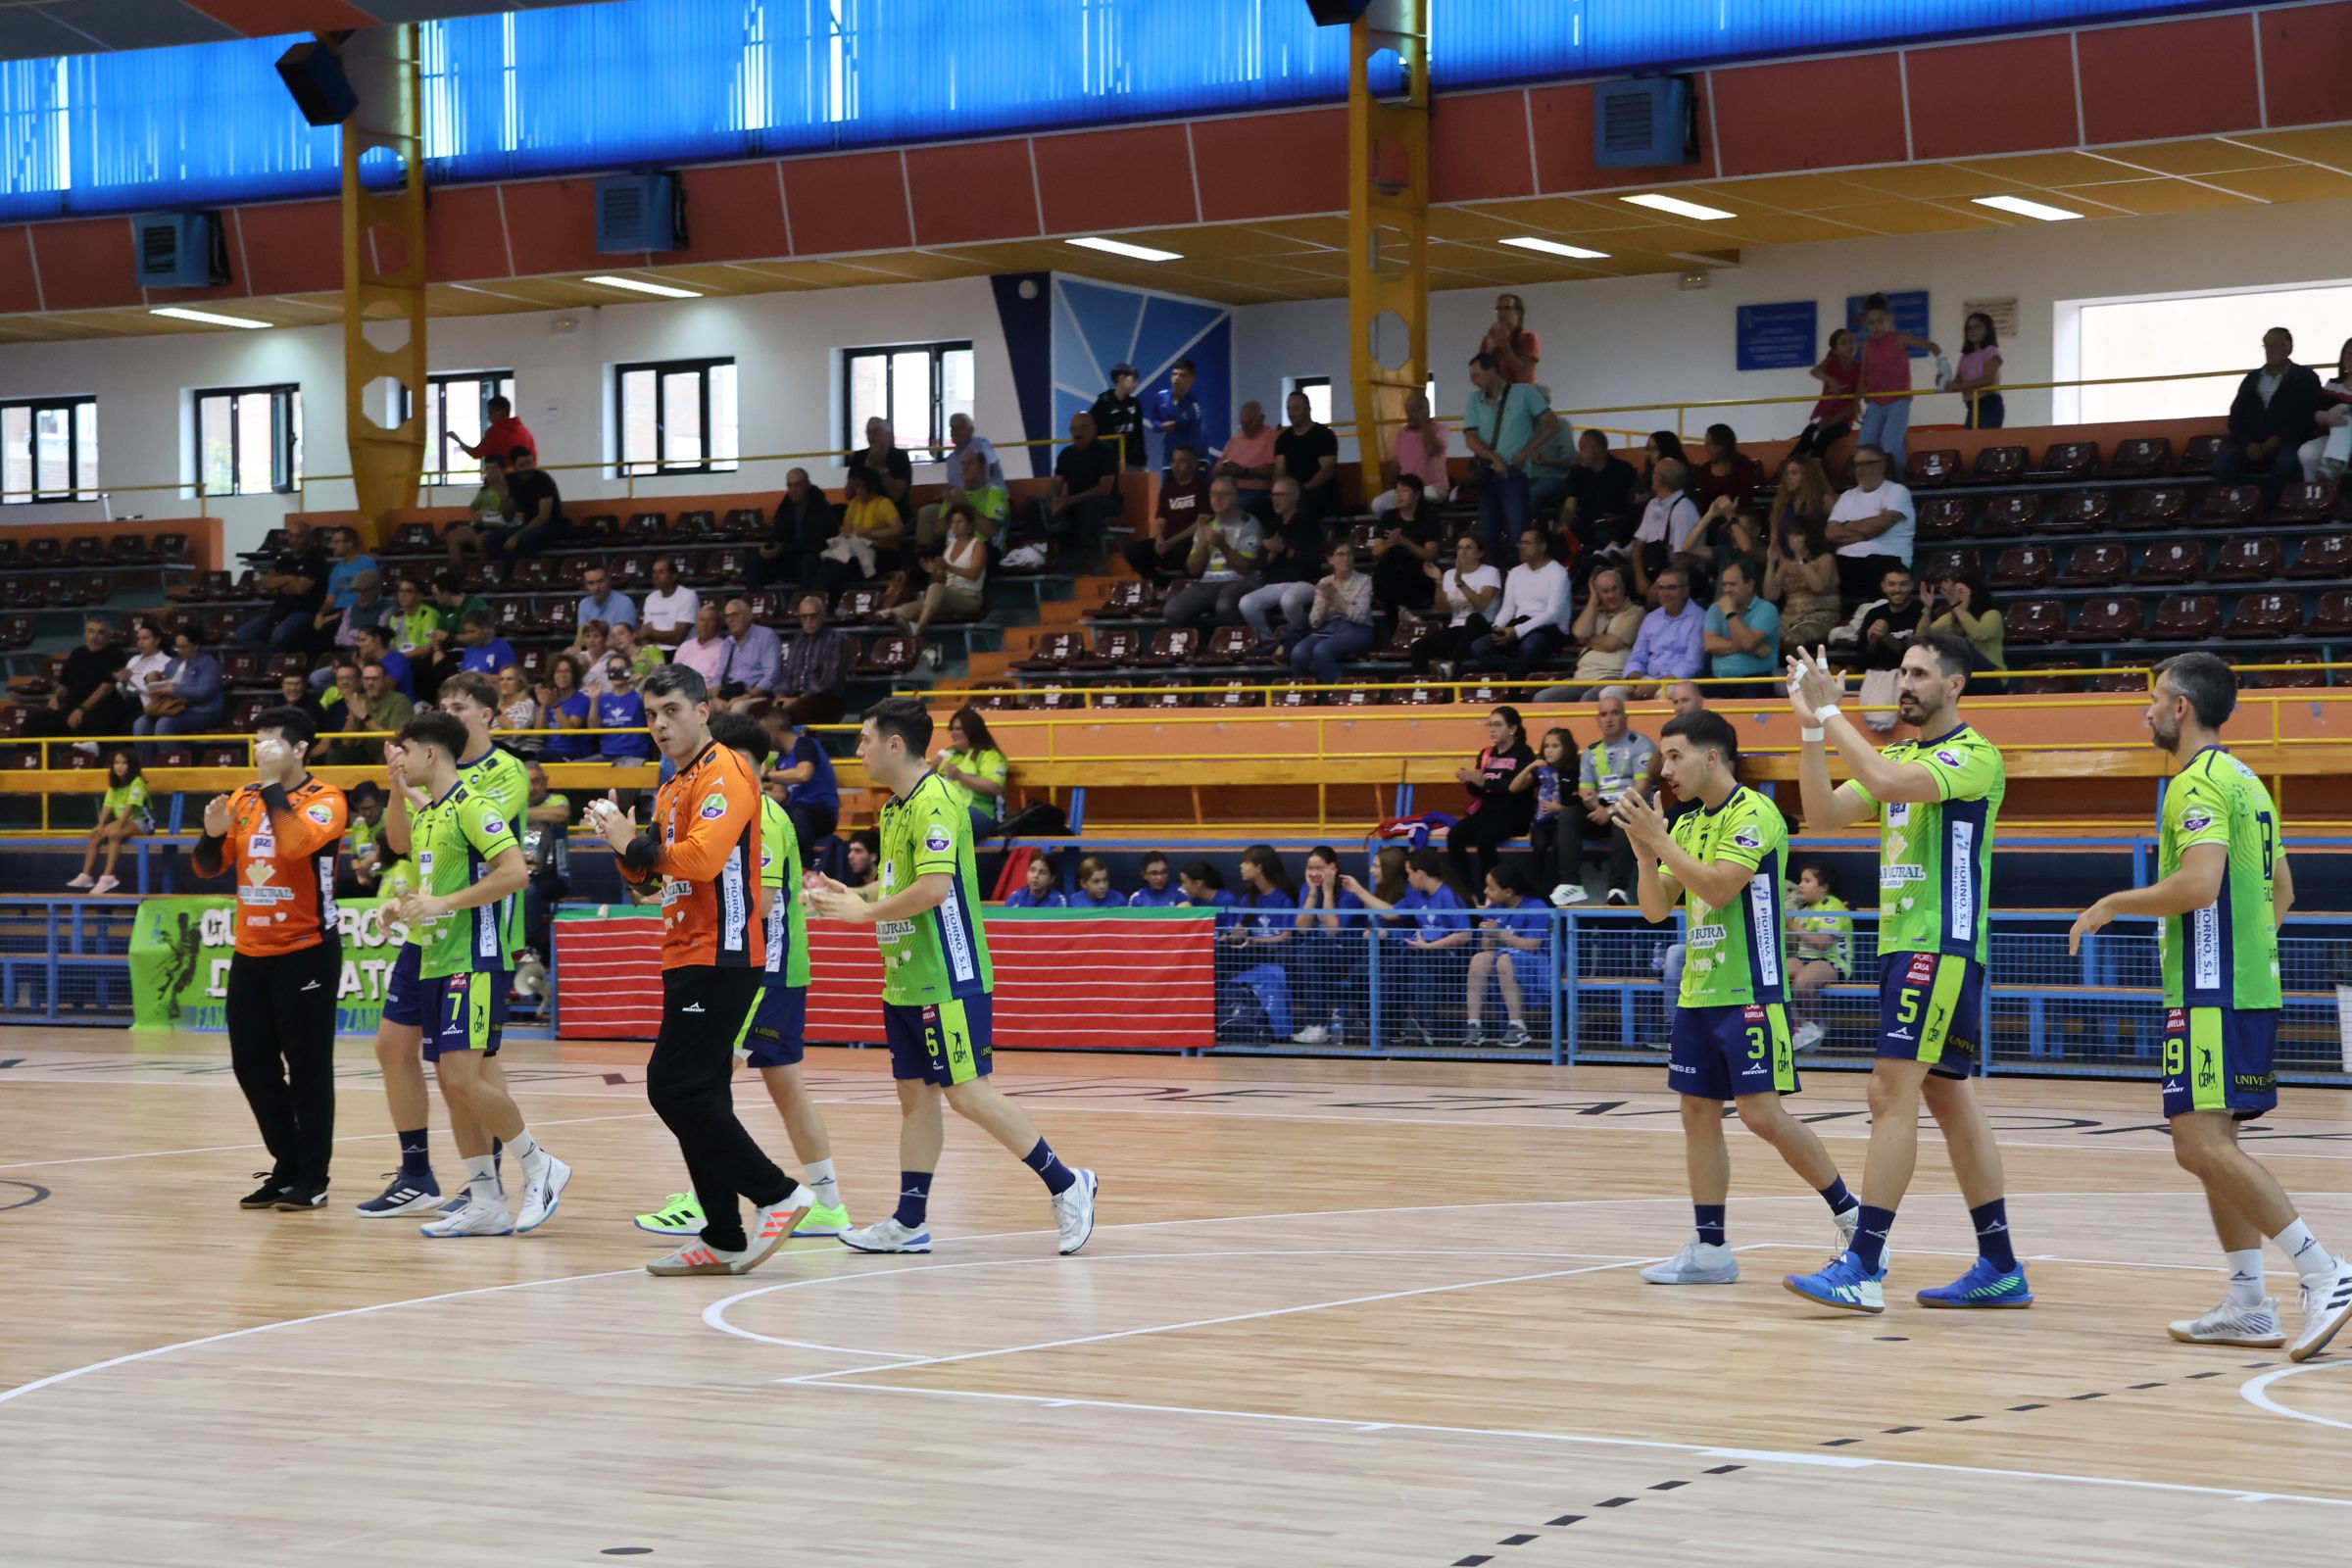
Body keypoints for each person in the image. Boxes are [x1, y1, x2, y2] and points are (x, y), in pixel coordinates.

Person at [2067, 652, 2352, 1360]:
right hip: (2245, 987)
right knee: (2216, 1146)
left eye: (2155, 699)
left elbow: (2198, 885)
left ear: (2183, 708)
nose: (2148, 711)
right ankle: (2249, 1303)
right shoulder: (2248, 781)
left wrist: (2110, 902)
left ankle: (2326, 1273)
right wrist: (2245, 956)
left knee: (2197, 1144)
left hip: (2211, 993)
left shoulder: (2195, 784)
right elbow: (2282, 892)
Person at [1783, 633, 2030, 1314]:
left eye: (1919, 674)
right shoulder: (1895, 753)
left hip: (1939, 946)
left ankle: (1863, 1263)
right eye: (1903, 674)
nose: (1905, 685)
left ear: (1956, 685)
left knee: (1889, 1096)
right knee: (1949, 1100)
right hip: (1907, 946)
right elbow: (1823, 814)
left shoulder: (1973, 755)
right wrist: (1811, 731)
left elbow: (1889, 785)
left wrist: (1834, 715)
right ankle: (2002, 1264)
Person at [806, 697, 1099, 1254]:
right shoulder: (893, 809)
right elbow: (900, 885)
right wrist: (854, 894)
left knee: (968, 1093)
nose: (858, 749)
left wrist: (865, 914)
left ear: (896, 744)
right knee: (915, 1097)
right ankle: (909, 1221)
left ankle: (1067, 1183)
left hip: (948, 972)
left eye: (865, 739)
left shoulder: (936, 802)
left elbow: (935, 890)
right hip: (904, 975)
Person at [584, 663, 819, 1275]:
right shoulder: (670, 786)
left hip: (724, 952)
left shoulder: (728, 769)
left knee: (673, 1086)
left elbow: (703, 858)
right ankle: (722, 1235)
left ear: (702, 710)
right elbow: (650, 878)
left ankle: (779, 1194)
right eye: (650, 715)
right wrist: (623, 844)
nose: (659, 724)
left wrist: (635, 846)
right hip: (685, 949)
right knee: (704, 1093)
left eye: (671, 711)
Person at [1612, 709, 1860, 1285]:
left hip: (1752, 987)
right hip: (1699, 990)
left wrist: (1658, 840)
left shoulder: (1757, 812)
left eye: (1674, 756)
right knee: (1697, 1113)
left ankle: (1856, 1219)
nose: (1664, 769)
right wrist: (1647, 852)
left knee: (1761, 1115)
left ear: (1712, 757)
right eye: (1662, 757)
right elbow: (1654, 909)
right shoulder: (1687, 823)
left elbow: (1720, 886)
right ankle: (1710, 1249)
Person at [632, 710, 854, 1243]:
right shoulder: (738, 803)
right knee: (780, 1087)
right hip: (769, 966)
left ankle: (721, 1196)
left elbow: (765, 901)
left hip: (760, 968)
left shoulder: (760, 813)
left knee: (698, 1084)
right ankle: (826, 1202)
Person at [378, 710, 568, 1238]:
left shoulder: (472, 807)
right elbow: (425, 879)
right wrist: (405, 905)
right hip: (437, 959)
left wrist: (444, 903)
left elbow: (515, 873)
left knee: (463, 1077)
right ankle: (485, 1197)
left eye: (407, 751)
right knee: (450, 1079)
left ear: (430, 753)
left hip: (474, 960)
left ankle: (539, 1165)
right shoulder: (430, 813)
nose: (402, 760)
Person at [353, 670, 531, 1218]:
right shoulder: (426, 773)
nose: (451, 711)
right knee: (393, 1047)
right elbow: (404, 844)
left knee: (471, 1066)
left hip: (480, 929)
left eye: (461, 705)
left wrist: (427, 777)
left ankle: (493, 1181)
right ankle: (416, 1172)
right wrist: (397, 780)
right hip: (429, 928)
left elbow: (485, 845)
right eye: (444, 704)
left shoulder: (501, 773)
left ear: (487, 715)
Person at [190, 706, 346, 1210]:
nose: (260, 755)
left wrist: (272, 784)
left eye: (271, 746)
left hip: (308, 953)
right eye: (257, 746)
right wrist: (212, 832)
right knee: (250, 1066)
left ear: (300, 750)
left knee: (308, 1069)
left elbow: (297, 842)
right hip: (249, 952)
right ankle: (288, 1163)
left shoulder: (327, 799)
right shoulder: (243, 799)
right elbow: (208, 867)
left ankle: (313, 1177)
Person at [1343, 848, 1471, 1049]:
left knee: (1422, 962)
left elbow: (1465, 934)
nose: (1408, 878)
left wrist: (1430, 946)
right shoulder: (1416, 895)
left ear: (1419, 874)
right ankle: (1386, 1026)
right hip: (1419, 951)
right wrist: (1358, 890)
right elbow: (1391, 913)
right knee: (1389, 966)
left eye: (1409, 873)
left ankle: (1424, 1025)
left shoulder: (1449, 895)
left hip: (1447, 955)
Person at [2213, 326, 2326, 508]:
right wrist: (2247, 443)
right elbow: (2235, 416)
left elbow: (2305, 416)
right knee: (2221, 466)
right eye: (2267, 346)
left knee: (2286, 464)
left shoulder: (2305, 377)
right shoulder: (2252, 378)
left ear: (2289, 348)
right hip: (2251, 442)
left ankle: (2265, 505)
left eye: (2276, 346)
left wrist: (2277, 439)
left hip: (2288, 441)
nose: (2270, 351)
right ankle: (2255, 494)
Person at [1463, 352, 1560, 561]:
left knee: (1519, 535)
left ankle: (1522, 581)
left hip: (1515, 474)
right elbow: (1470, 437)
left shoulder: (1525, 392)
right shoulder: (1473, 400)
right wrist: (1494, 458)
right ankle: (1497, 582)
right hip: (1487, 474)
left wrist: (1527, 450)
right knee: (1488, 535)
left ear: (1493, 371)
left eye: (1477, 374)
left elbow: (1552, 423)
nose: (1473, 380)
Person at [1581, 687, 1660, 905]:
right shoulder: (1591, 751)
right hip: (1603, 809)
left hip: (1635, 808)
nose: (1609, 719)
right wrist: (1592, 802)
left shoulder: (1640, 743)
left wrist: (1610, 810)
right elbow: (1585, 787)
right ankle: (1569, 884)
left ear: (1625, 717)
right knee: (1569, 816)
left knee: (1623, 818)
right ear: (1597, 720)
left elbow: (1642, 787)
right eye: (1603, 714)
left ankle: (1617, 889)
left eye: (1615, 713)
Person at [1444, 706, 1536, 891]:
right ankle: (1466, 892)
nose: (1492, 729)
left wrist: (1483, 782)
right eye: (1490, 725)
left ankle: (1493, 890)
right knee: (1455, 836)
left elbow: (1513, 789)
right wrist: (1470, 780)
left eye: (1498, 725)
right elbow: (1479, 792)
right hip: (1487, 812)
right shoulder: (1486, 754)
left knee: (1484, 838)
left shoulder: (1525, 754)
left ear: (1512, 728)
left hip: (1514, 814)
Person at [1463, 526, 1570, 678]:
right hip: (1518, 626)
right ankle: (1517, 675)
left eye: (1527, 543)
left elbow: (1552, 614)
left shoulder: (1558, 573)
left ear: (1542, 547)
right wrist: (1497, 629)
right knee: (1479, 646)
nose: (1521, 547)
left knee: (1529, 646)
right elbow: (1508, 608)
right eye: (1521, 543)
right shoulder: (1516, 572)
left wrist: (1517, 631)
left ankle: (1515, 684)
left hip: (1549, 629)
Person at [1286, 845, 1365, 1045]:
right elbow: (1302, 928)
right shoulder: (1308, 889)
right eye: (1309, 868)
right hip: (1319, 952)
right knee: (1299, 953)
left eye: (1318, 868)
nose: (1313, 874)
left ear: (1332, 867)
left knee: (1307, 954)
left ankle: (1317, 1024)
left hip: (1348, 952)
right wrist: (1312, 894)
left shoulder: (1348, 891)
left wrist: (1328, 892)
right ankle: (1314, 1025)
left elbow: (1333, 931)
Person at [1162, 477, 1264, 631]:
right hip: (1209, 582)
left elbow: (1247, 568)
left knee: (1225, 604)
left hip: (1241, 581)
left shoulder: (1249, 523)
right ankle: (1207, 643)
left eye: (1224, 494)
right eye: (1214, 494)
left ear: (1237, 498)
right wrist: (1204, 541)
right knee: (1173, 611)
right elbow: (1193, 569)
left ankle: (1240, 641)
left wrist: (1223, 546)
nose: (1218, 498)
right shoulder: (1207, 525)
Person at [1854, 292, 1938, 470]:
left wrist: (1943, 366)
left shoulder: (1899, 339)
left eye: (1880, 321)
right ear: (1866, 324)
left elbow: (1931, 346)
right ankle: (1872, 483)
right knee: (1864, 444)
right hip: (1876, 402)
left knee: (1890, 445)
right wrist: (1856, 404)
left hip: (1899, 400)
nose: (1876, 326)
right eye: (1871, 322)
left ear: (1889, 319)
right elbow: (1863, 378)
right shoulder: (1867, 345)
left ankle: (1900, 478)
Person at [1465, 865, 1546, 1050]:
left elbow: (1532, 945)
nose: (1486, 891)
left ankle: (1518, 1026)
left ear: (1508, 892)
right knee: (1478, 959)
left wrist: (1500, 934)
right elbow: (1486, 947)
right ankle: (1474, 1025)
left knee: (1505, 960)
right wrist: (1489, 936)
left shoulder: (1536, 906)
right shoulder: (1493, 908)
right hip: (1506, 957)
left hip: (1539, 960)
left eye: (1491, 887)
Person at [897, 502, 987, 667]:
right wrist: (934, 572)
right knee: (898, 613)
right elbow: (939, 583)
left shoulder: (978, 545)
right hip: (947, 594)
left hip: (969, 597)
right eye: (952, 522)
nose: (955, 526)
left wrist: (948, 567)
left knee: (936, 589)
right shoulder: (949, 548)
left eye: (959, 522)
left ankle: (918, 630)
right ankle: (927, 647)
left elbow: (974, 575)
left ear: (969, 525)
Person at [1237, 477, 1323, 648]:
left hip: (1305, 581)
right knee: (1246, 603)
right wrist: (1271, 553)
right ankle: (1269, 641)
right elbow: (1262, 564)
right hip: (1276, 581)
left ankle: (1302, 636)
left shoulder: (1308, 521)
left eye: (1280, 495)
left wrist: (1283, 550)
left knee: (1289, 600)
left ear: (1295, 496)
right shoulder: (1273, 524)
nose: (1275, 499)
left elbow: (1313, 560)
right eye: (1273, 495)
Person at [1825, 443, 1915, 604]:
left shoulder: (1897, 491)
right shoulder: (1847, 496)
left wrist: (1845, 525)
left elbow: (1878, 527)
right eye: (1856, 464)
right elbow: (1831, 533)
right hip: (1848, 564)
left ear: (1882, 464)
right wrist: (1865, 533)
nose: (1859, 469)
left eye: (1866, 463)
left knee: (1876, 563)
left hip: (1887, 562)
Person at [25, 615, 129, 754]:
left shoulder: (116, 654)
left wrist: (81, 710)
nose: (94, 636)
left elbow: (106, 688)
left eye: (100, 632)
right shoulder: (77, 653)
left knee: (94, 715)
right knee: (33, 719)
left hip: (98, 713)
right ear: (85, 634)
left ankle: (87, 755)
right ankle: (25, 760)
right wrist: (55, 698)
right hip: (72, 711)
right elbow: (64, 684)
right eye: (91, 631)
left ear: (109, 636)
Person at [1031, 411, 1123, 557]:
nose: (1077, 433)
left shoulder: (1106, 452)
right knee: (1035, 504)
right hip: (1073, 503)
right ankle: (1038, 550)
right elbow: (1056, 482)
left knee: (1088, 504)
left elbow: (1105, 489)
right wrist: (1054, 499)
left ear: (1094, 429)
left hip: (1106, 503)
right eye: (1073, 429)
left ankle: (1089, 553)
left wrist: (1071, 500)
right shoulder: (1067, 454)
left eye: (1082, 428)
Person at [1545, 565, 1642, 700]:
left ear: (1623, 588)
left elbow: (1611, 644)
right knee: (1543, 698)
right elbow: (1579, 633)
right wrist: (1593, 600)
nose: (1611, 595)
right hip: (1582, 677)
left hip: (1612, 676)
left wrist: (1588, 640)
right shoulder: (1595, 612)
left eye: (1615, 589)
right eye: (1605, 591)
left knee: (1588, 699)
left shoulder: (1635, 611)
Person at [1786, 859, 1852, 1054]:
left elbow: (1823, 944)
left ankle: (1812, 1026)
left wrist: (1791, 925)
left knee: (1803, 981)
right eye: (1800, 880)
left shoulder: (1833, 906)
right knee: (1771, 978)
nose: (1800, 885)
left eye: (1807, 881)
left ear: (1823, 887)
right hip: (1804, 958)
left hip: (1833, 961)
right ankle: (1806, 1027)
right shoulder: (1803, 908)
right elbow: (1794, 944)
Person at [1412, 532, 1502, 676]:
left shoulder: (1490, 572)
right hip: (1457, 629)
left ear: (1480, 553)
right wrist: (1439, 581)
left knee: (1473, 618)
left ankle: (1451, 665)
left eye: (1468, 548)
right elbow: (1442, 608)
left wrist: (1460, 583)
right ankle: (1426, 690)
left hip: (1483, 627)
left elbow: (1482, 605)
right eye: (1460, 548)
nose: (1463, 552)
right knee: (1418, 647)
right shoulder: (1449, 574)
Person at [1514, 725, 1584, 907]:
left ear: (1566, 748)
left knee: (1558, 847)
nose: (1549, 751)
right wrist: (1530, 765)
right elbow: (1514, 787)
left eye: (1555, 746)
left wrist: (1559, 808)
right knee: (1539, 845)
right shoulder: (1540, 771)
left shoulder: (1576, 771)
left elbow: (1581, 804)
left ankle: (1557, 893)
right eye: (1546, 746)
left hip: (1564, 823)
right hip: (1542, 822)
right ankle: (1535, 892)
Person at [1291, 539, 1376, 686]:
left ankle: (1338, 696)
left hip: (1358, 629)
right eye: (1340, 554)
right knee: (1298, 652)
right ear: (1330, 559)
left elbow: (1360, 616)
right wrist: (1324, 605)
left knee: (1321, 650)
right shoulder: (1325, 583)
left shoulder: (1364, 581)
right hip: (1328, 629)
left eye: (1349, 554)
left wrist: (1336, 597)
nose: (1346, 558)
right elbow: (1315, 622)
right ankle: (1304, 696)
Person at [68, 748, 152, 894]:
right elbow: (108, 805)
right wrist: (100, 825)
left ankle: (108, 877)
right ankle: (86, 875)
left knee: (114, 834)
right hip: (124, 822)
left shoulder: (137, 781)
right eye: (116, 762)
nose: (119, 766)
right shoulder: (115, 784)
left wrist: (119, 825)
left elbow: (132, 807)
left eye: (124, 763)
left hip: (142, 822)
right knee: (97, 835)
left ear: (131, 765)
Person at [1765, 496, 1841, 653]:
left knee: (1793, 639)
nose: (1791, 539)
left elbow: (1818, 586)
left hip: (1820, 617)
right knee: (1763, 637)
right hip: (1789, 619)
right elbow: (1770, 595)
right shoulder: (1786, 563)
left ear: (1809, 536)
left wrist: (1801, 558)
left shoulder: (1825, 559)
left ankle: (1804, 676)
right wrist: (1771, 563)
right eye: (1789, 535)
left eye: (1796, 534)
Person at [1125, 445, 1212, 582]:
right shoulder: (1167, 490)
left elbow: (1202, 522)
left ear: (1193, 464)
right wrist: (1160, 539)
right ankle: (1159, 583)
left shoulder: (1203, 488)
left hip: (1190, 541)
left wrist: (1171, 542)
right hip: (1167, 541)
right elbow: (1161, 520)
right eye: (1174, 461)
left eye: (1181, 462)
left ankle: (1185, 582)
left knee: (1182, 549)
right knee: (1133, 551)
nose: (1176, 466)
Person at [236, 521, 328, 651]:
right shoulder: (284, 560)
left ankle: (277, 664)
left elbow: (300, 589)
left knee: (278, 636)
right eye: (291, 536)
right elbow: (265, 583)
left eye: (299, 536)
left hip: (305, 612)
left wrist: (279, 584)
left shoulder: (315, 559)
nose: (294, 540)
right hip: (280, 611)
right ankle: (270, 663)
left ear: (308, 538)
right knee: (243, 635)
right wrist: (289, 578)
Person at [1558, 429, 1640, 562]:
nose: (1579, 453)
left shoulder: (1624, 471)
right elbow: (1570, 504)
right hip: (1584, 523)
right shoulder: (1577, 472)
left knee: (1606, 536)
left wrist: (1619, 518)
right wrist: (1564, 526)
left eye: (1583, 448)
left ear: (1597, 448)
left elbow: (1634, 506)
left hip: (1613, 526)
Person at [773, 594, 853, 727]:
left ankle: (810, 745)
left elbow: (829, 682)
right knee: (766, 710)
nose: (808, 620)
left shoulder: (836, 640)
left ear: (823, 616)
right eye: (804, 617)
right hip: (795, 697)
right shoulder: (797, 640)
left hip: (827, 700)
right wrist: (779, 696)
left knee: (795, 710)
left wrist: (796, 699)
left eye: (813, 616)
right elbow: (788, 675)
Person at [1702, 557, 1780, 694]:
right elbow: (1709, 644)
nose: (1727, 590)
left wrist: (1730, 613)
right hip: (1719, 680)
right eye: (1725, 584)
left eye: (1732, 584)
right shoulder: (1715, 609)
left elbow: (1748, 643)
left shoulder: (1767, 609)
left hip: (1755, 680)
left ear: (1749, 585)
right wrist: (1753, 648)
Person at [1368, 473, 1444, 614]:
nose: (1399, 495)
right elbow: (1375, 553)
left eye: (1404, 491)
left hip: (1419, 571)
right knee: (1388, 563)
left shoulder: (1429, 518)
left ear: (1417, 495)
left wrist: (1403, 541)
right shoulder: (1389, 517)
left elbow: (1431, 555)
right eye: (1397, 491)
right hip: (1392, 572)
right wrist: (1390, 543)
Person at [1621, 568, 1704, 695]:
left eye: (1671, 588)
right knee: (1609, 694)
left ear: (1685, 591)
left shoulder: (1699, 617)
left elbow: (1692, 663)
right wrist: (1635, 680)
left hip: (1679, 683)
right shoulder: (1651, 618)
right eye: (1661, 588)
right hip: (1647, 679)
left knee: (1663, 694)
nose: (1665, 593)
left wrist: (1658, 685)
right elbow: (1637, 657)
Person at [135, 629, 226, 743]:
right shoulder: (173, 663)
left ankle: (170, 759)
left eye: (184, 647)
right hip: (173, 708)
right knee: (141, 724)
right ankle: (146, 760)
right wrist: (153, 677)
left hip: (202, 711)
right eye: (177, 647)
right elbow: (164, 678)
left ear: (196, 646)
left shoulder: (209, 664)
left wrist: (175, 691)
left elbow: (204, 693)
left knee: (165, 724)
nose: (180, 651)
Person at [751, 469, 834, 594]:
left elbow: (818, 543)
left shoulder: (821, 507)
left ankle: (805, 603)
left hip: (812, 557)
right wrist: (769, 547)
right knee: (754, 561)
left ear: (807, 485)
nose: (793, 489)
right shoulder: (785, 507)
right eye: (790, 485)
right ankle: (756, 603)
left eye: (798, 485)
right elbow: (776, 533)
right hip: (788, 557)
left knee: (809, 561)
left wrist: (784, 548)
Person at [1629, 458, 1702, 596]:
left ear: (1660, 479)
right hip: (1653, 568)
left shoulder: (1683, 510)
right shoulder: (1652, 505)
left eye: (1654, 472)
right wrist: (1640, 578)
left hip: (1679, 575)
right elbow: (1638, 545)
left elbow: (1689, 558)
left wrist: (1658, 586)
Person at [769, 714, 842, 853]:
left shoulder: (804, 744)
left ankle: (804, 866)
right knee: (776, 814)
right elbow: (780, 795)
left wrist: (767, 775)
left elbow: (803, 774)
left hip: (822, 810)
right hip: (798, 810)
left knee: (797, 812)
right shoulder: (781, 758)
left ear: (772, 729)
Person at [483, 445, 566, 561]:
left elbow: (544, 516)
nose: (529, 468)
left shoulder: (543, 480)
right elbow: (508, 516)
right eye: (523, 465)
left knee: (523, 541)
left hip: (550, 525)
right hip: (527, 524)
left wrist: (517, 535)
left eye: (530, 462)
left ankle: (520, 573)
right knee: (490, 539)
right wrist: (502, 496)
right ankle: (498, 572)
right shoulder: (512, 481)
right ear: (514, 467)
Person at [936, 706, 1008, 838]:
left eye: (958, 729)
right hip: (951, 812)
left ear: (972, 730)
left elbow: (995, 787)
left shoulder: (989, 755)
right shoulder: (950, 755)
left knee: (947, 826)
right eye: (951, 729)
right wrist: (931, 768)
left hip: (983, 814)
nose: (953, 733)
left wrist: (960, 776)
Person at [1793, 328, 1864, 461]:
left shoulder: (1859, 368)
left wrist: (1830, 422)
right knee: (1806, 437)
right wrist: (1832, 381)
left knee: (1822, 438)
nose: (1850, 345)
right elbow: (1814, 371)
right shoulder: (1831, 361)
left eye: (1852, 341)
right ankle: (1783, 474)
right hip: (1822, 415)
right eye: (1844, 343)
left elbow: (1854, 405)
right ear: (1835, 350)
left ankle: (1816, 472)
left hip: (1842, 421)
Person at [1376, 390, 1451, 514]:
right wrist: (1389, 489)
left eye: (1413, 411)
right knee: (1378, 504)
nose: (1408, 415)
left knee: (1423, 496)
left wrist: (1425, 424)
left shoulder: (1440, 428)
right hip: (1406, 489)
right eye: (1407, 411)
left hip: (1433, 487)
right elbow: (1395, 465)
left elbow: (1434, 449)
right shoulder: (1402, 433)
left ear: (1425, 410)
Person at [1274, 387, 1342, 520]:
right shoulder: (1283, 439)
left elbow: (1326, 471)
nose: (1291, 413)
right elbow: (1279, 471)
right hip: (1291, 491)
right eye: (1289, 409)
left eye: (1296, 408)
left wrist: (1302, 490)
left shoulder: (1324, 435)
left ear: (1308, 409)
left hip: (1319, 489)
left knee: (1304, 505)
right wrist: (1280, 491)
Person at [711, 596, 784, 712]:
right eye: (727, 616)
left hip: (757, 694)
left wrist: (746, 696)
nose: (730, 620)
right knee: (703, 708)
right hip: (730, 692)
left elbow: (771, 676)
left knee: (737, 709)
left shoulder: (766, 636)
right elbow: (719, 676)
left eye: (735, 615)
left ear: (749, 616)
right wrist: (715, 698)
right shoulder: (728, 642)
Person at [1921, 573, 2003, 676]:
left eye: (1961, 592)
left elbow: (1979, 634)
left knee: (1956, 639)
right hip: (1964, 677)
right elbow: (1923, 635)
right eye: (1954, 593)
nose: (1956, 597)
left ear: (1974, 594)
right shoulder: (1952, 617)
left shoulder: (1992, 615)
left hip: (1990, 676)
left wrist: (1956, 605)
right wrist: (1927, 608)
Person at [2298, 335, 2352, 483]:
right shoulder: (2333, 384)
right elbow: (2318, 411)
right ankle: (2316, 494)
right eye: (2349, 354)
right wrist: (2326, 416)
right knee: (2307, 452)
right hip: (2333, 435)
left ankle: (2333, 464)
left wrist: (2344, 407)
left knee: (2346, 418)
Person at [1217, 400, 1280, 518]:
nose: (1246, 427)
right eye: (1243, 423)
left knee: (1234, 510)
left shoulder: (1272, 437)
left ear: (1262, 418)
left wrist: (1246, 472)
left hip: (1257, 492)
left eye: (1250, 422)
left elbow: (1274, 470)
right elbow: (1220, 465)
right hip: (1232, 489)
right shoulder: (1234, 441)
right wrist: (1226, 467)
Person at [1147, 357, 1206, 472]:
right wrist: (1161, 426)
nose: (1176, 378)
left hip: (1188, 460)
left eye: (1182, 375)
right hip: (1169, 457)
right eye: (1174, 374)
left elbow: (1196, 440)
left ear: (1192, 379)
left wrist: (1187, 462)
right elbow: (1154, 420)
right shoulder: (1160, 397)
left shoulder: (1194, 407)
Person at [1857, 566, 1921, 673]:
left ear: (1912, 585)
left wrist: (1886, 636)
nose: (1897, 590)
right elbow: (1862, 662)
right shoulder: (1874, 614)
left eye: (1903, 584)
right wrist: (1872, 643)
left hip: (1911, 675)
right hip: (1879, 676)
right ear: (1883, 587)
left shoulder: (1921, 612)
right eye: (1892, 584)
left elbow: (1916, 658)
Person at [1689, 423, 1762, 515]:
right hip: (1712, 521)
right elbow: (1703, 504)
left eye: (1709, 444)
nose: (1706, 448)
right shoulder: (1704, 471)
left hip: (1740, 518)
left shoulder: (1743, 466)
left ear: (1722, 446)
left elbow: (1745, 499)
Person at [1947, 311, 2004, 429]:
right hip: (1972, 405)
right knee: (1970, 443)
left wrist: (1959, 386)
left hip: (1989, 404)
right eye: (1969, 328)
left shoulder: (1990, 351)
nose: (1972, 331)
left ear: (1987, 329)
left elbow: (1988, 380)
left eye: (1977, 327)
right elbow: (1957, 382)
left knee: (1983, 443)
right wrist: (1944, 382)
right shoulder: (1965, 356)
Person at [445, 393, 535, 466]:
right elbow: (534, 458)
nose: (489, 417)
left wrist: (458, 440)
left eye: (490, 412)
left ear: (500, 412)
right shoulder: (525, 432)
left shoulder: (494, 432)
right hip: (526, 481)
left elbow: (476, 453)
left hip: (504, 482)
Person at [853, 416, 914, 521]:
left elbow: (897, 496)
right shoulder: (859, 457)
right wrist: (859, 469)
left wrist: (880, 467)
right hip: (865, 514)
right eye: (868, 432)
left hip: (894, 516)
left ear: (888, 436)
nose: (871, 437)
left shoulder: (900, 457)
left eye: (876, 432)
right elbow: (849, 494)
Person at [1091, 363, 1149, 471]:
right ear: (1121, 378)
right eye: (1134, 379)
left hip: (1133, 463)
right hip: (1110, 462)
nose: (1136, 384)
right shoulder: (1104, 402)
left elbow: (1139, 435)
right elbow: (1092, 430)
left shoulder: (1135, 404)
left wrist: (1142, 463)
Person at [537, 655, 594, 762]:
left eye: (567, 671)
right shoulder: (550, 698)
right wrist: (543, 705)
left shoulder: (582, 700)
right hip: (550, 752)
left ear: (574, 675)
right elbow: (538, 734)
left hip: (573, 754)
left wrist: (556, 706)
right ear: (553, 676)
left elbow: (570, 731)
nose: (563, 675)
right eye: (558, 671)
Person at [596, 660, 654, 762]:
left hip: (634, 755)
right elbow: (593, 727)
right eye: (613, 670)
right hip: (607, 755)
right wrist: (593, 700)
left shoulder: (640, 696)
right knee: (575, 767)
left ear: (629, 671)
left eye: (621, 669)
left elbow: (655, 710)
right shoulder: (603, 699)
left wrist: (643, 686)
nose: (617, 673)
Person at [1478, 292, 1542, 384]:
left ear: (1518, 313)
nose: (1501, 313)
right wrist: (1489, 350)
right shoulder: (1489, 339)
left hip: (1522, 394)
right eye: (1498, 309)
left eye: (1506, 308)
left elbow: (1522, 376)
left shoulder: (1529, 337)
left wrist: (1504, 345)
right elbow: (1479, 375)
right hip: (1497, 394)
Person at [672, 602, 729, 693]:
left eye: (710, 620)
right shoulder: (685, 646)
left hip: (704, 694)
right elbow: (673, 674)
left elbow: (716, 683)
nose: (705, 624)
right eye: (702, 620)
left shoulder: (723, 648)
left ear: (718, 625)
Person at [455, 611, 517, 677]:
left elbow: (509, 678)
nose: (469, 636)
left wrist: (482, 678)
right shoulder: (469, 650)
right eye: (466, 632)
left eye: (472, 632)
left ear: (485, 629)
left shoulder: (502, 648)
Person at [575, 563, 636, 631]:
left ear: (609, 581)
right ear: (585, 586)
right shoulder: (584, 604)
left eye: (600, 581)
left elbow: (624, 640)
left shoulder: (625, 603)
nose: (596, 588)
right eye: (591, 583)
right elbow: (580, 637)